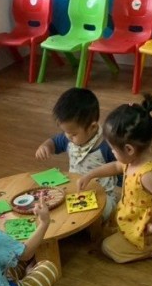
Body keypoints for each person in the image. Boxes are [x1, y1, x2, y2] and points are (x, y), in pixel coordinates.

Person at [77, 94, 152, 263]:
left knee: (108, 248)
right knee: (103, 232)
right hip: (131, 217)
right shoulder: (130, 161)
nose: (112, 153)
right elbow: (115, 166)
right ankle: (151, 243)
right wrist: (90, 174)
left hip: (144, 230)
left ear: (129, 149)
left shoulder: (147, 175)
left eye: (113, 149)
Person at [34, 87, 118, 218]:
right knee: (54, 204)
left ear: (92, 127)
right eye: (65, 132)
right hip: (76, 191)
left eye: (73, 134)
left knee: (100, 213)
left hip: (102, 197)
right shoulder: (69, 138)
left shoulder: (107, 145)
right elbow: (54, 142)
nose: (68, 137)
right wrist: (45, 146)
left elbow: (122, 168)